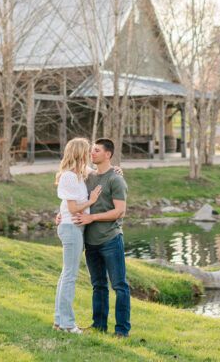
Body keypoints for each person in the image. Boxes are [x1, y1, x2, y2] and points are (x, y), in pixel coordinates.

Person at [74, 138, 131, 337]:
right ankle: (99, 326)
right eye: (91, 150)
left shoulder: (116, 179)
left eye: (96, 150)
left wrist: (92, 217)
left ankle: (122, 330)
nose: (92, 153)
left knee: (119, 286)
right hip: (91, 242)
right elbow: (74, 199)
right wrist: (61, 213)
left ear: (108, 154)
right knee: (98, 286)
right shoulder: (88, 177)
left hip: (110, 240)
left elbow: (120, 211)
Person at [53, 137, 103, 334]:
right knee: (70, 276)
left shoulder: (80, 174)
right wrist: (91, 201)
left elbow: (100, 171)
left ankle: (59, 322)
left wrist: (116, 170)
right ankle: (67, 324)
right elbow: (73, 208)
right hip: (71, 228)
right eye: (87, 151)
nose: (90, 155)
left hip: (74, 228)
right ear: (79, 153)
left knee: (66, 275)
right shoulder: (68, 177)